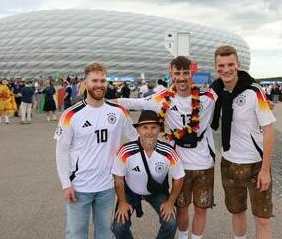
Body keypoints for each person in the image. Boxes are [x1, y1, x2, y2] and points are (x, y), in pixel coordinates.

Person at [115, 56, 216, 239]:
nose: (182, 77)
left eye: (186, 73)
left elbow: (231, 92)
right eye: (177, 73)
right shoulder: (162, 98)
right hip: (180, 163)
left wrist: (264, 101)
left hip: (204, 162)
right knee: (182, 208)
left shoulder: (208, 96)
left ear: (192, 73)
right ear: (171, 74)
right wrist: (99, 103)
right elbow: (132, 103)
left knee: (201, 209)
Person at [55, 62, 138, 239]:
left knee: (105, 234)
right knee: (76, 234)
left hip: (107, 187)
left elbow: (135, 140)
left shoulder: (119, 111)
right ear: (85, 83)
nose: (99, 84)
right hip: (79, 187)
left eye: (103, 80)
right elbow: (61, 151)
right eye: (94, 80)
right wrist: (66, 184)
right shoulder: (70, 115)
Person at [210, 45, 276, 239]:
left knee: (262, 219)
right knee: (237, 213)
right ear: (216, 68)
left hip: (256, 165)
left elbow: (269, 131)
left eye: (230, 64)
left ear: (238, 64)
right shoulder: (216, 92)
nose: (226, 69)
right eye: (221, 65)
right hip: (229, 163)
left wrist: (265, 170)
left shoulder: (255, 92)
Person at [112, 110, 185, 239]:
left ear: (159, 130)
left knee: (171, 223)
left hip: (156, 191)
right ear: (138, 130)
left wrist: (170, 202)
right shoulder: (125, 151)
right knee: (118, 226)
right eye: (144, 127)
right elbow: (118, 179)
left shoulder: (168, 151)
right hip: (131, 191)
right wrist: (122, 202)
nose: (149, 132)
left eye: (154, 127)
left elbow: (179, 177)